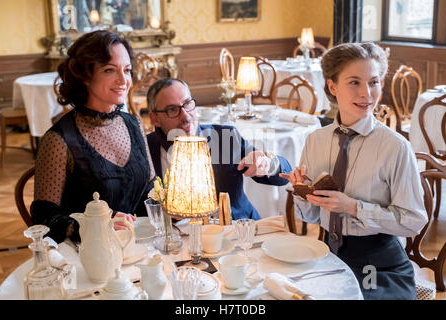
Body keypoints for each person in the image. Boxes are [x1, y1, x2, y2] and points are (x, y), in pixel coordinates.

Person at [280, 42, 428, 300]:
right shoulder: (315, 140)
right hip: (327, 256)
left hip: (378, 266)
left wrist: (353, 207)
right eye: (354, 82)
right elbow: (313, 217)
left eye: (373, 82)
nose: (367, 94)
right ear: (332, 86)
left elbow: (414, 220)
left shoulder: (396, 147)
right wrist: (303, 193)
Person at [31, 30, 156, 243]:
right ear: (84, 77)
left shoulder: (134, 124)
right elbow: (43, 221)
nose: (123, 80)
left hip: (137, 248)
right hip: (85, 257)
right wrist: (97, 227)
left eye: (127, 70)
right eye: (110, 70)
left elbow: (149, 192)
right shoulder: (58, 140)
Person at [146, 78, 292, 220]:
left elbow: (283, 176)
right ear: (155, 119)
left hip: (234, 229)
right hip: (176, 237)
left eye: (187, 104)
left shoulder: (225, 137)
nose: (185, 115)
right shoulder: (145, 149)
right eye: (172, 109)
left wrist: (268, 163)